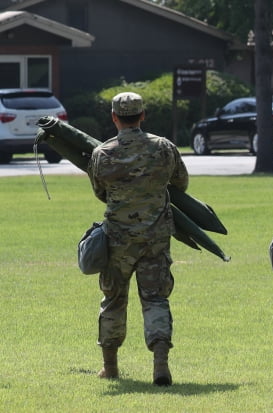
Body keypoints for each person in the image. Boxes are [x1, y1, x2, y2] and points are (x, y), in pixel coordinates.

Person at [87, 92, 189, 386]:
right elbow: (181, 183)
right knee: (156, 299)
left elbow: (100, 193)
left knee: (113, 301)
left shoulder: (102, 153)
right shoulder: (164, 148)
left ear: (114, 117)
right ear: (143, 115)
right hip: (156, 238)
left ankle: (110, 367)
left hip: (117, 239)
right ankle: (160, 364)